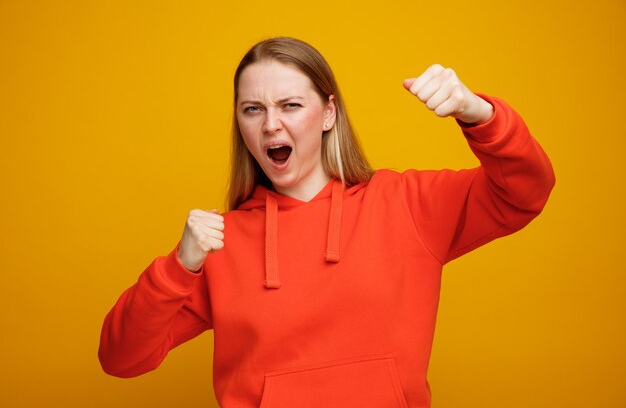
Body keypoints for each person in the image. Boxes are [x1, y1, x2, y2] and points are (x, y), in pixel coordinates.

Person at [98, 37, 555, 408]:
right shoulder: (221, 244)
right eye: (252, 109)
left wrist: (479, 115)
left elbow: (525, 192)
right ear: (240, 123)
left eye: (291, 105)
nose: (271, 125)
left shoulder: (405, 204)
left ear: (328, 114)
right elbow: (121, 357)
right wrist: (180, 265)